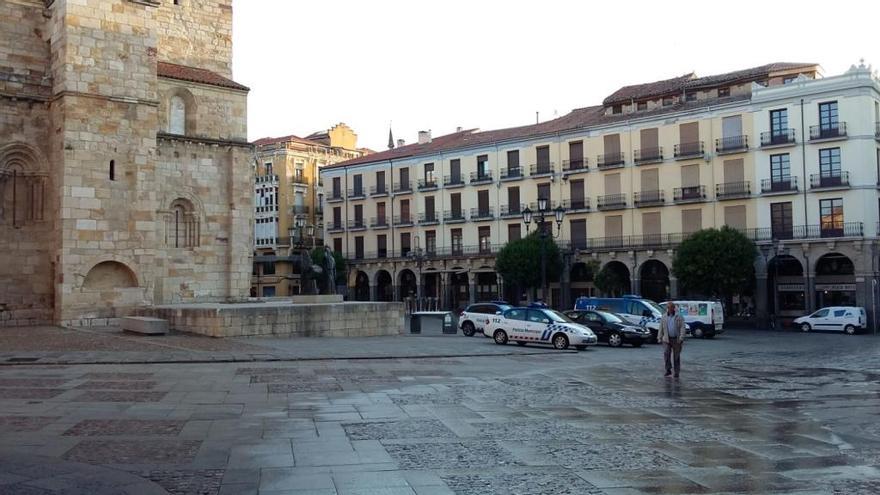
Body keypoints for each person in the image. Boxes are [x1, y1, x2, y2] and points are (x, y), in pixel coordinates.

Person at [659, 301, 685, 378]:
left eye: (670, 307)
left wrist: (681, 338)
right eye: (668, 308)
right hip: (666, 339)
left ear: (673, 308)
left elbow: (682, 328)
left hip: (676, 339)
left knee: (676, 356)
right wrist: (659, 337)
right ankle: (668, 370)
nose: (669, 309)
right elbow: (661, 328)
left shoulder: (679, 316)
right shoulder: (664, 316)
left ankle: (676, 372)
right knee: (666, 353)